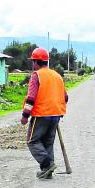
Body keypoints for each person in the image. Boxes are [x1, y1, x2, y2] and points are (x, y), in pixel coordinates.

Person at [20, 47, 68, 179]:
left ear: (35, 62)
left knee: (32, 141)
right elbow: (65, 97)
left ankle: (47, 164)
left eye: (33, 62)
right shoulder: (57, 76)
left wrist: (25, 116)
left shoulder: (37, 75)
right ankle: (47, 171)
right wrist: (56, 109)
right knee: (48, 142)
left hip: (41, 114)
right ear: (46, 61)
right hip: (56, 114)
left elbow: (31, 98)